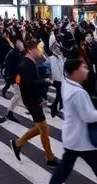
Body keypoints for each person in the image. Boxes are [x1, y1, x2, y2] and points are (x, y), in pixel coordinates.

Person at [48, 58, 97, 184]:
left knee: (64, 170)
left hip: (73, 137)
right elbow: (88, 116)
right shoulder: (78, 93)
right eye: (83, 67)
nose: (87, 70)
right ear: (75, 72)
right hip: (82, 139)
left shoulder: (67, 83)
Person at [10, 39, 58, 167]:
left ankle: (18, 143)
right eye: (38, 49)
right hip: (30, 100)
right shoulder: (26, 65)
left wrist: (41, 97)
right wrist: (45, 81)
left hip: (34, 99)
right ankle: (50, 158)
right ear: (31, 50)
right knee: (43, 128)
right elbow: (30, 84)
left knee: (41, 128)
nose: (40, 52)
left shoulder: (31, 63)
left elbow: (33, 83)